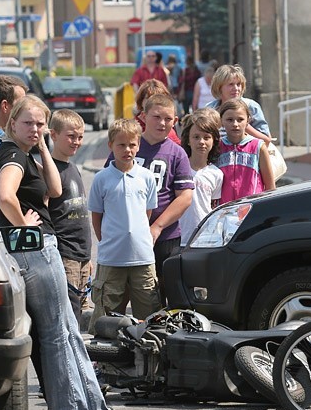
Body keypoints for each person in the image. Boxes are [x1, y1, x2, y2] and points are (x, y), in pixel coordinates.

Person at [0, 95, 126, 410]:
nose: (34, 129)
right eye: (28, 123)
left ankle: (93, 408)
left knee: (67, 331)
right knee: (56, 333)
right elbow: (5, 196)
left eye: (39, 123)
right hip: (35, 247)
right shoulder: (11, 154)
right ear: (12, 121)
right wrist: (23, 224)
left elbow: (54, 188)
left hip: (40, 246)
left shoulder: (26, 153)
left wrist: (43, 146)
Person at [108, 94, 194, 305]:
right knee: (122, 291)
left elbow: (185, 197)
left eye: (168, 119)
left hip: (165, 238)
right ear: (143, 116)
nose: (162, 123)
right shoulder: (126, 146)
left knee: (163, 291)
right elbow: (108, 189)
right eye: (156, 117)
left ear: (175, 121)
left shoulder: (177, 153)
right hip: (126, 236)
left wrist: (157, 226)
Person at [87, 118, 162, 335]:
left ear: (138, 145)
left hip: (143, 256)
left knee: (148, 313)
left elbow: (147, 213)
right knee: (107, 312)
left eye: (132, 145)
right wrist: (109, 242)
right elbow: (97, 217)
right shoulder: (101, 179)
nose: (127, 150)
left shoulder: (146, 177)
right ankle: (105, 360)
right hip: (112, 258)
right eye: (121, 145)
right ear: (110, 146)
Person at [48, 109, 93, 327]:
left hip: (82, 255)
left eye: (80, 137)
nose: (76, 142)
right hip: (66, 255)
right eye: (71, 136)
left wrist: (87, 258)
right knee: (68, 317)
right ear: (53, 135)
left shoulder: (72, 166)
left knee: (80, 313)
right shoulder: (49, 171)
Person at [178, 108, 223, 246]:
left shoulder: (216, 174)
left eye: (206, 137)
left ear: (214, 141)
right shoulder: (178, 168)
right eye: (196, 137)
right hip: (178, 237)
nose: (201, 142)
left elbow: (213, 206)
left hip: (204, 238)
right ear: (188, 140)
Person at [217, 98, 275, 204]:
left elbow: (270, 186)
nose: (235, 124)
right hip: (224, 211)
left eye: (240, 119)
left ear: (248, 120)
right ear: (221, 120)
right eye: (230, 120)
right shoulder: (217, 147)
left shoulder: (258, 146)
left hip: (252, 210)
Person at [206, 64, 272, 143]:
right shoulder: (210, 108)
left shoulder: (251, 106)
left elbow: (267, 140)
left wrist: (243, 124)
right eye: (231, 84)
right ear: (219, 87)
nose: (236, 88)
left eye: (238, 84)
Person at [134, 79, 181, 145]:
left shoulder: (169, 128)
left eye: (158, 99)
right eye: (149, 98)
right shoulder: (132, 128)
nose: (153, 103)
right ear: (141, 101)